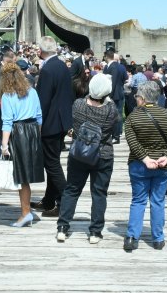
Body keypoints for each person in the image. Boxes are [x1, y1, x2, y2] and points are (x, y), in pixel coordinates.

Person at [56, 73, 118, 244]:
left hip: (79, 153)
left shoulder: (78, 105)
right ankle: (95, 232)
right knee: (98, 193)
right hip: (102, 154)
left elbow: (75, 127)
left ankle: (62, 227)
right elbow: (111, 129)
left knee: (72, 189)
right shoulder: (110, 110)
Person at [123, 81, 167, 251]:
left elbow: (132, 141)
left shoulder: (133, 117)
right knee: (158, 201)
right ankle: (158, 238)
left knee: (138, 200)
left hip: (139, 165)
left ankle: (132, 237)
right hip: (163, 165)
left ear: (141, 98)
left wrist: (145, 158)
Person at [30, 36, 74, 217]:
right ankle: (49, 200)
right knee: (52, 162)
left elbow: (43, 101)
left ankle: (64, 203)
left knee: (52, 164)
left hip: (50, 123)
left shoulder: (48, 69)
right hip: (61, 120)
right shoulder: (62, 65)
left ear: (41, 51)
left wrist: (38, 124)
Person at [0, 62, 44, 228]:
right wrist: (37, 136)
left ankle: (25, 213)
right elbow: (39, 116)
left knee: (21, 176)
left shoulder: (7, 95)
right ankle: (26, 212)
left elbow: (7, 122)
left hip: (19, 132)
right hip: (33, 131)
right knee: (25, 176)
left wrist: (4, 145)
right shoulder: (32, 91)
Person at [103, 49, 127, 144]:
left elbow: (112, 83)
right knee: (114, 115)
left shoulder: (113, 67)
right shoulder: (116, 66)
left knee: (116, 115)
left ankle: (116, 136)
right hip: (117, 93)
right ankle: (114, 134)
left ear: (106, 57)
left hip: (115, 95)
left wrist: (109, 96)